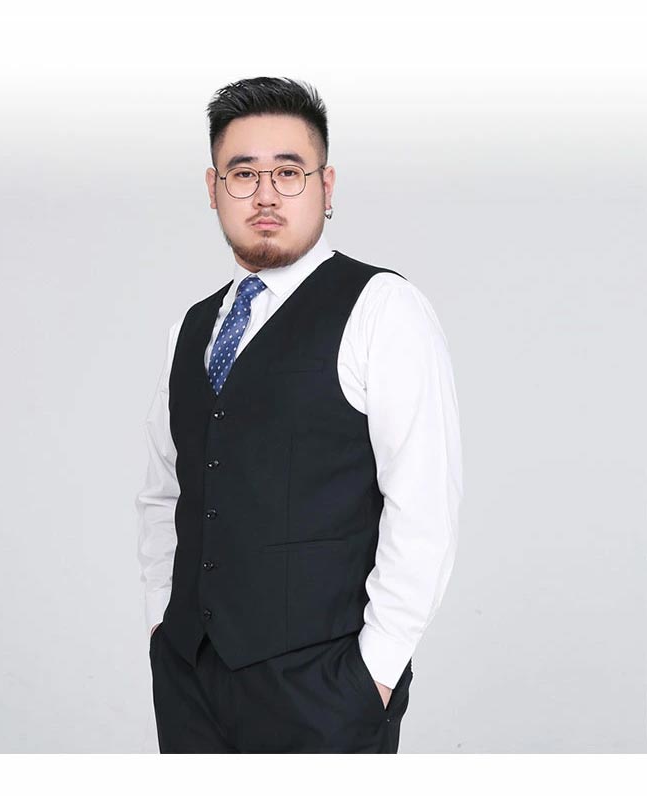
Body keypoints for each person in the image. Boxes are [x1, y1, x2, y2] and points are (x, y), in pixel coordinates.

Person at [135, 76, 463, 753]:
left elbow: (425, 504)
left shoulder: (381, 308)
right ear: (213, 188)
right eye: (243, 174)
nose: (265, 196)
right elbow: (165, 494)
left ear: (326, 185)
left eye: (288, 172)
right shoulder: (189, 330)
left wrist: (375, 672)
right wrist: (161, 625)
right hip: (190, 680)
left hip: (323, 691)